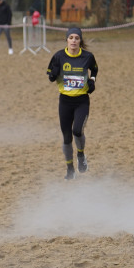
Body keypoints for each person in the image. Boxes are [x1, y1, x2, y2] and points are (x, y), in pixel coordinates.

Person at [46, 26, 98, 180]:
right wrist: (54, 74)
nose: (74, 41)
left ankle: (81, 155)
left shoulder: (88, 57)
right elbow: (50, 76)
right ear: (66, 40)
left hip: (82, 101)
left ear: (80, 40)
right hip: (65, 101)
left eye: (76, 38)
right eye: (71, 38)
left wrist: (92, 81)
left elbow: (94, 69)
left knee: (77, 130)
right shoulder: (58, 56)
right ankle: (70, 169)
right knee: (67, 138)